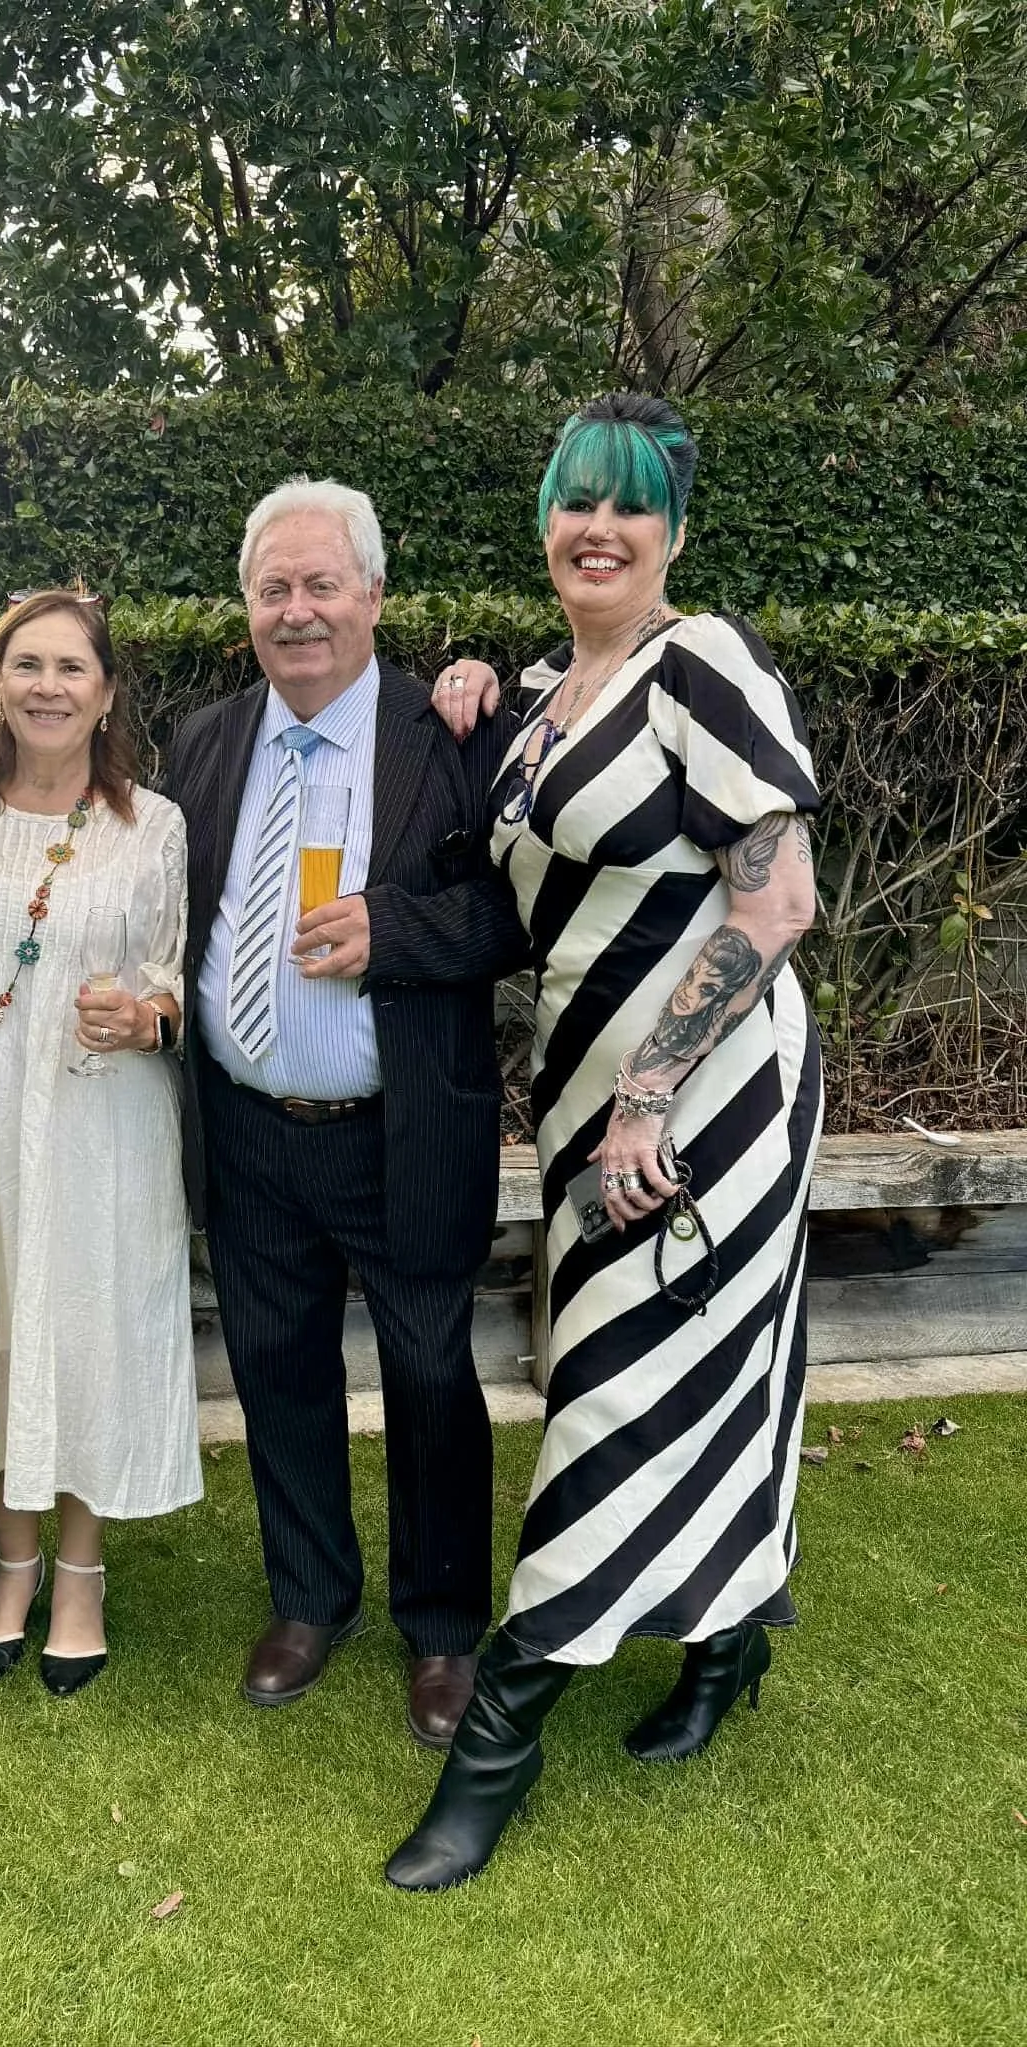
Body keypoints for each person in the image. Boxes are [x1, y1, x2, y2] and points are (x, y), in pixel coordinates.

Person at [385, 393, 821, 1890]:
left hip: (703, 1093)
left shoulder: (705, 663)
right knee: (666, 1370)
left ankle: (497, 1743)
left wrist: (652, 1095)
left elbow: (776, 901)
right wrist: (472, 709)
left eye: (632, 505)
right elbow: (530, 896)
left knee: (619, 1394)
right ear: (546, 521)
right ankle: (726, 1642)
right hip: (581, 1095)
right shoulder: (543, 702)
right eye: (577, 497)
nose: (599, 526)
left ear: (675, 532)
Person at [162, 478, 529, 1748]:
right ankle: (311, 1596)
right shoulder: (204, 740)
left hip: (400, 1125)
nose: (299, 610)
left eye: (324, 585)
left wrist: (395, 930)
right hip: (249, 1124)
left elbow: (509, 917)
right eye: (276, 588)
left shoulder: (450, 733)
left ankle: (441, 1628)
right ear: (247, 606)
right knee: (275, 1366)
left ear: (374, 597)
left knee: (432, 1372)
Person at [0, 593, 200, 1695]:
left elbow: (174, 978)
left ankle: (79, 1572)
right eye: (27, 663)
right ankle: (9, 1566)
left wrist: (150, 1014)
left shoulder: (148, 826)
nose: (49, 685)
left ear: (108, 691)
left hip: (95, 1118)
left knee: (80, 1336)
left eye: (73, 666)